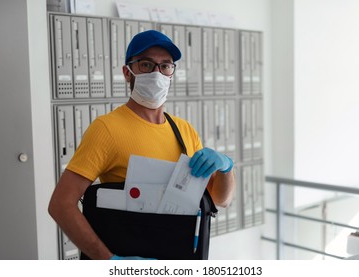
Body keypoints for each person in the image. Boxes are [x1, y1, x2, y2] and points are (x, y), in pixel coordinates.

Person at [48, 30, 236, 260]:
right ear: (127, 73)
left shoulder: (185, 130)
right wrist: (109, 261)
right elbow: (61, 204)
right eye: (147, 65)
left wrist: (226, 167)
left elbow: (220, 200)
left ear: (171, 73)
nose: (158, 73)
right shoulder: (107, 129)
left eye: (165, 66)